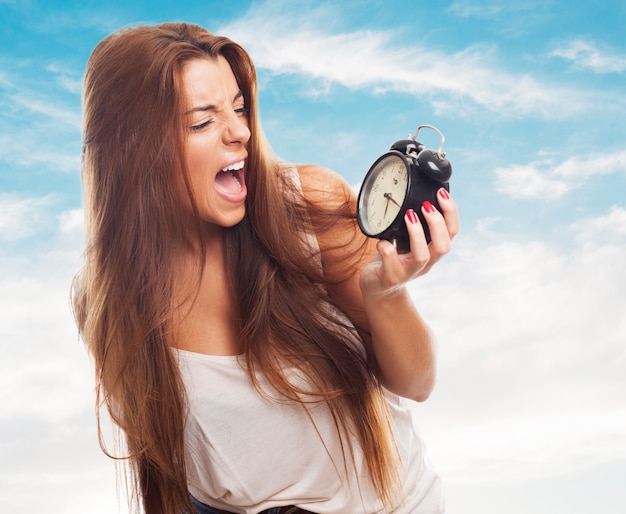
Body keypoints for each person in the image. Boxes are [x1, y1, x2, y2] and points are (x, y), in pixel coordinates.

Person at [72, 22, 459, 514]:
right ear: (132, 150)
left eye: (239, 107)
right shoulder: (105, 301)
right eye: (202, 122)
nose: (240, 132)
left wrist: (386, 293)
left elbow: (417, 383)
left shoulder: (309, 208)